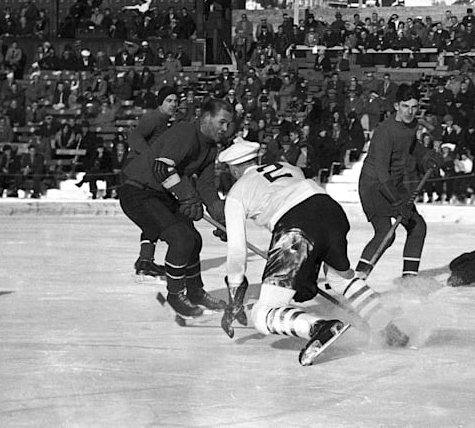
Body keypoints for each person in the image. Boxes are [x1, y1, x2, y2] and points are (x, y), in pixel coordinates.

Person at [216, 141, 407, 366]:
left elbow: (238, 252)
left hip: (296, 226)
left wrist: (235, 296)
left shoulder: (237, 193)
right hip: (330, 210)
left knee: (263, 313)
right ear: (256, 160)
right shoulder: (287, 167)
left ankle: (319, 327)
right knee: (341, 278)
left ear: (234, 169)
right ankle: (388, 328)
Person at [119, 98, 233, 319]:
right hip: (138, 192)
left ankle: (196, 292)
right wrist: (187, 196)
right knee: (181, 239)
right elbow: (162, 167)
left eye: (228, 124)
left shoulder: (210, 147)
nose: (225, 129)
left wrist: (221, 218)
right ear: (206, 118)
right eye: (222, 122)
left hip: (162, 195)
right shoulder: (185, 133)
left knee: (194, 240)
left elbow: (206, 185)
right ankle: (175, 295)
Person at [355, 83, 440, 280]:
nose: (410, 111)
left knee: (417, 226)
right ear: (396, 106)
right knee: (386, 233)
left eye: (414, 106)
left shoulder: (411, 125)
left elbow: (410, 146)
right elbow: (382, 171)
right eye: (405, 106)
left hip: (393, 183)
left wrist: (426, 156)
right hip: (374, 185)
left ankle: (409, 280)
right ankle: (358, 279)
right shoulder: (385, 131)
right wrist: (398, 202)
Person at [125, 86, 180, 279]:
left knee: (151, 223)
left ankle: (145, 260)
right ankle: (146, 260)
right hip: (141, 177)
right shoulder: (153, 118)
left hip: (150, 177)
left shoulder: (165, 123)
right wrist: (150, 156)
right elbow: (134, 136)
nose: (173, 104)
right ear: (161, 102)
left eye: (176, 101)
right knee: (156, 219)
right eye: (169, 100)